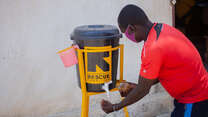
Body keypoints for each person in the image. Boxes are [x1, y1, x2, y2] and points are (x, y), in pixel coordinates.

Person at [101, 4, 208, 117]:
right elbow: (156, 75)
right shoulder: (161, 28)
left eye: (126, 33)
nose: (127, 37)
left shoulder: (154, 47)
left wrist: (115, 107)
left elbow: (143, 90)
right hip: (191, 95)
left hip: (194, 98)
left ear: (132, 28)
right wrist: (139, 86)